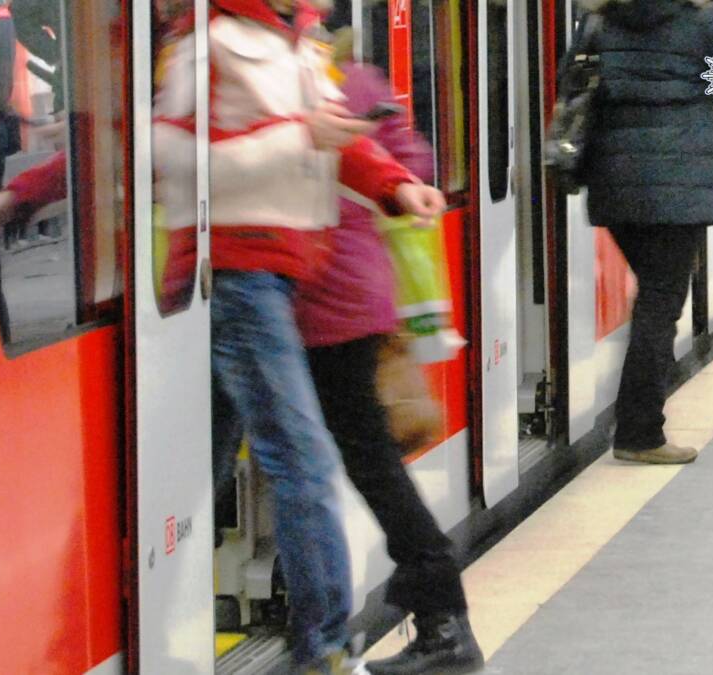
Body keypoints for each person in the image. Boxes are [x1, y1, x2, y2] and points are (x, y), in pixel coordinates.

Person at [193, 1, 446, 673]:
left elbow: (343, 141)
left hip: (290, 277)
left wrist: (394, 184)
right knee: (302, 458)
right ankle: (325, 648)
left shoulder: (298, 45)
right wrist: (303, 135)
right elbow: (176, 158)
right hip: (246, 270)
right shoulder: (208, 44)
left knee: (242, 455)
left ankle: (314, 637)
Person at [302, 31, 483, 675]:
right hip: (349, 290)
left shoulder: (312, 80)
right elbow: (412, 158)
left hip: (323, 295)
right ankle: (437, 619)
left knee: (359, 457)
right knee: (355, 455)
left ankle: (438, 618)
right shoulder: (357, 78)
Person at [574, 0, 713, 465]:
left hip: (615, 185)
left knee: (654, 301)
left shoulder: (597, 24)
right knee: (659, 306)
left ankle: (636, 418)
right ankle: (640, 433)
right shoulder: (701, 26)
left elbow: (576, 87)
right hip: (679, 190)